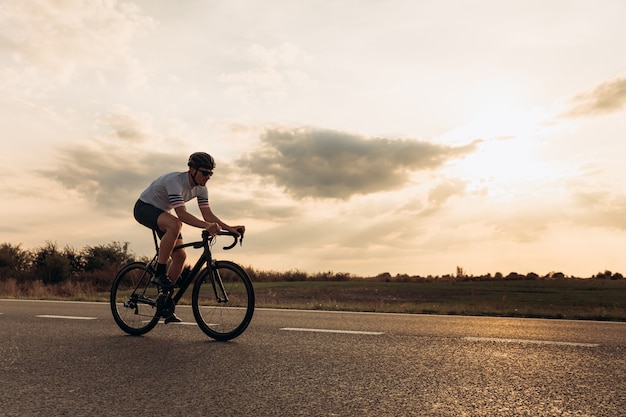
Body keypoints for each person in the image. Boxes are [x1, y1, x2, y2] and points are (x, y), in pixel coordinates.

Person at [133, 152, 245, 323]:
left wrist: (230, 228)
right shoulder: (175, 181)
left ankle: (164, 303)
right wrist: (206, 226)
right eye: (204, 173)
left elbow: (207, 214)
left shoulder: (201, 188)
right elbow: (182, 214)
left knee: (180, 256)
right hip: (144, 208)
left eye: (210, 174)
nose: (207, 177)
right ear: (191, 170)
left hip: (163, 213)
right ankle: (160, 273)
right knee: (176, 224)